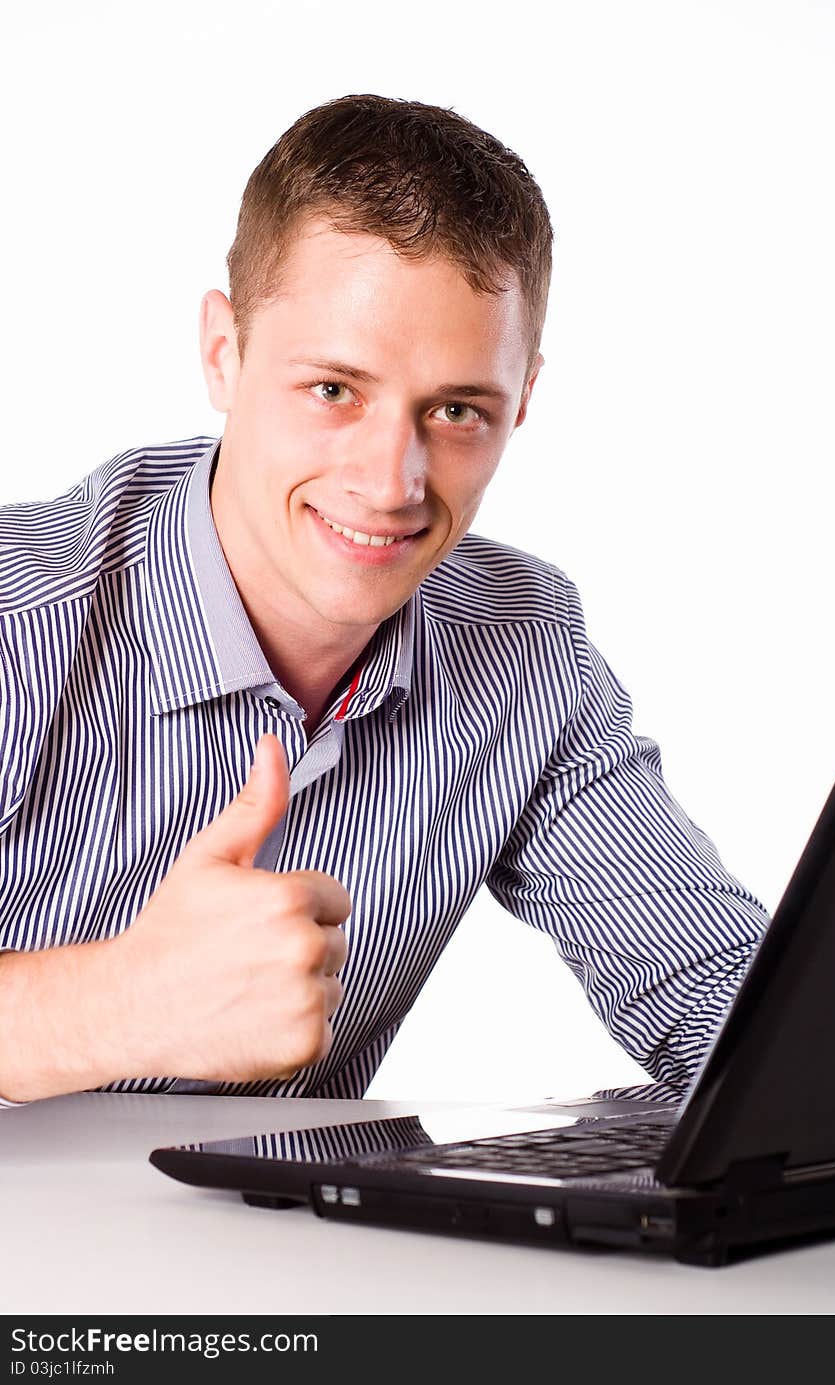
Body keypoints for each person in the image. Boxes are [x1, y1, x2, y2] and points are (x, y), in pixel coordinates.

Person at [0, 93, 769, 1106]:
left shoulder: (522, 650)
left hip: (278, 1262)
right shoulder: (24, 620)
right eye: (334, 390)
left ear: (523, 398)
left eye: (456, 410)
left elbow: (711, 991)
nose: (391, 478)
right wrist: (117, 1005)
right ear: (223, 353)